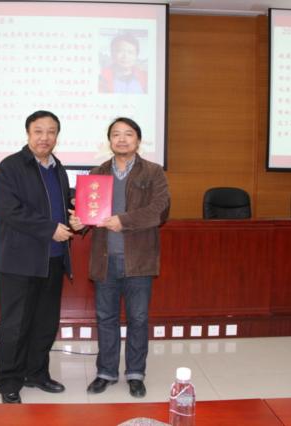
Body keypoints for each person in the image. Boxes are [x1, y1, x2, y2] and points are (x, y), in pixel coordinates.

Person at [69, 117, 170, 398]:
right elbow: (90, 214)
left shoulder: (153, 172)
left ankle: (135, 374)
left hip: (139, 260)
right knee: (106, 318)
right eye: (116, 134)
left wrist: (123, 221)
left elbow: (160, 210)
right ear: (109, 140)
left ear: (138, 140)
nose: (122, 139)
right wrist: (80, 222)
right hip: (106, 260)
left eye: (128, 134)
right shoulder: (97, 172)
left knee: (138, 318)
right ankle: (106, 372)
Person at [0, 110, 73, 404]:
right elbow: (10, 211)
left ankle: (37, 373)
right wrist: (50, 229)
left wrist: (75, 217)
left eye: (51, 131)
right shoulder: (11, 166)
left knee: (45, 323)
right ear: (28, 134)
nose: (45, 137)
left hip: (53, 259)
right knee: (15, 325)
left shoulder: (58, 168)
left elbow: (59, 206)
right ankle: (9, 382)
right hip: (20, 261)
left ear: (57, 136)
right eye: (39, 131)